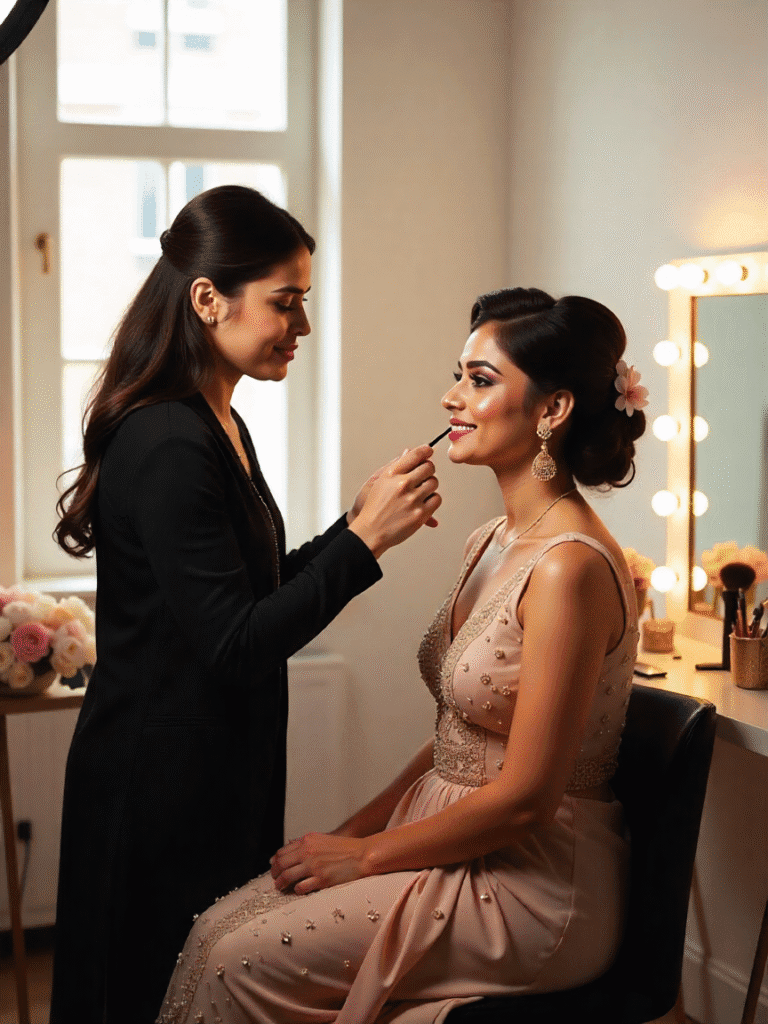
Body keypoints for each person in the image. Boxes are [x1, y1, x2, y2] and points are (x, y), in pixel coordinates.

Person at [157, 286, 648, 1024]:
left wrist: (361, 859)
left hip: (533, 880)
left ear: (553, 411)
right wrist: (356, 827)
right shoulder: (492, 540)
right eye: (459, 373)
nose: (452, 396)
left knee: (241, 958)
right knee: (214, 930)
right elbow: (461, 732)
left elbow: (528, 797)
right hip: (446, 837)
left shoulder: (568, 567)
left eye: (480, 381)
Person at [49, 185, 441, 1024]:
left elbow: (250, 590)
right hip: (155, 791)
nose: (301, 328)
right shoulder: (166, 440)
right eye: (285, 303)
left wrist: (357, 521)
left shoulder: (219, 421)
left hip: (214, 776)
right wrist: (363, 543)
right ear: (206, 299)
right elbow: (235, 642)